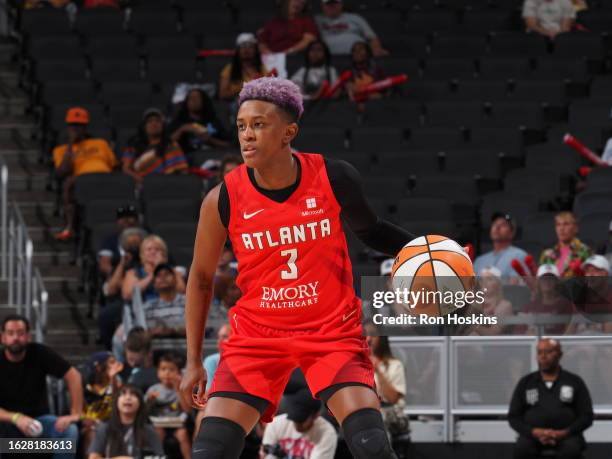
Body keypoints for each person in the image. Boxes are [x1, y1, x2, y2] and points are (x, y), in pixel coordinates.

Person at [180, 77, 416, 458]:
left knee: (373, 447)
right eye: (241, 126)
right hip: (258, 336)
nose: (247, 135)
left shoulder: (333, 177)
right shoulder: (222, 197)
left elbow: (371, 230)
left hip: (330, 332)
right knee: (209, 451)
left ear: (289, 131)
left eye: (259, 124)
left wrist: (428, 248)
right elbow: (202, 278)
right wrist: (193, 361)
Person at [0, 315, 82, 457]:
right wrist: (16, 418)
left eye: (20, 333)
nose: (15, 338)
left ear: (28, 336)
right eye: (10, 333)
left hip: (39, 425)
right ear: (2, 337)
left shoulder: (39, 353)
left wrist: (75, 413)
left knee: (70, 432)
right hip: (6, 427)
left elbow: (74, 376)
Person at [508, 338, 593, 459]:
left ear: (560, 354)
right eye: (539, 352)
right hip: (532, 436)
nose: (543, 356)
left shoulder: (574, 381)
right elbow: (514, 416)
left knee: (571, 450)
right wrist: (534, 432)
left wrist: (565, 432)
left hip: (568, 436)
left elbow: (586, 416)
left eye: (548, 352)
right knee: (522, 449)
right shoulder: (526, 382)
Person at [52, 107, 118, 241]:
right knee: (68, 183)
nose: (76, 128)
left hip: (106, 178)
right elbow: (62, 171)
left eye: (80, 125)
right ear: (68, 127)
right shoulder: (61, 150)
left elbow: (115, 165)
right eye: (73, 125)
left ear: (85, 127)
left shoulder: (100, 143)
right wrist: (70, 144)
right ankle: (69, 227)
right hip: (81, 181)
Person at [88, 384, 164, 459]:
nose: (128, 398)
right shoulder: (105, 427)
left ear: (140, 403)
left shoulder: (148, 430)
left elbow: (160, 457)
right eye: (123, 394)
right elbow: (93, 457)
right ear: (116, 401)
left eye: (133, 395)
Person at [261, 388, 337, 459]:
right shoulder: (276, 424)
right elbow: (265, 453)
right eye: (294, 419)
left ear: (315, 416)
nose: (296, 424)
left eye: (301, 420)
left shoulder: (327, 433)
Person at [122, 108, 189, 184]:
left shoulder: (172, 146)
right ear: (144, 126)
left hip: (168, 186)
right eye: (150, 121)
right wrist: (139, 180)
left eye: (158, 121)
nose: (154, 123)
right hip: (140, 186)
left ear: (163, 126)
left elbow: (183, 171)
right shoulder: (133, 146)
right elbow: (125, 169)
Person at [145, 353, 192, 459]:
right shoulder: (154, 389)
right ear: (158, 372)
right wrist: (150, 400)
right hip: (159, 423)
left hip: (177, 424)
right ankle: (159, 456)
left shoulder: (182, 389)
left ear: (179, 373)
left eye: (171, 370)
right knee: (158, 432)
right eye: (163, 369)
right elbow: (145, 411)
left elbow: (187, 410)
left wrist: (178, 390)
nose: (167, 373)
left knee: (183, 434)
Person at [121, 234, 185, 302]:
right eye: (149, 249)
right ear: (142, 254)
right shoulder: (133, 273)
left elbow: (182, 291)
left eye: (157, 249)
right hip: (144, 310)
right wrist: (155, 271)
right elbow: (127, 295)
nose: (153, 252)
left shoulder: (173, 271)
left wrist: (161, 267)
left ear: (164, 253)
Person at [81, 351, 124, 451]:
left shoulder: (116, 383)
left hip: (110, 422)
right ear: (99, 367)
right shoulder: (86, 387)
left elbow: (117, 403)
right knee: (91, 432)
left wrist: (113, 378)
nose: (116, 365)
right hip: (90, 424)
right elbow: (80, 410)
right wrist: (84, 420)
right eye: (112, 362)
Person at [169, 89, 231, 156]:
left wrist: (210, 140)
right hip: (187, 159)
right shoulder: (180, 122)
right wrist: (182, 129)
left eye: (197, 98)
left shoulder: (212, 121)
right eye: (191, 98)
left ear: (203, 101)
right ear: (186, 102)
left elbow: (228, 145)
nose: (194, 100)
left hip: (212, 156)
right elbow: (165, 143)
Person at [315, 0, 388, 56]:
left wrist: (376, 49)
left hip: (358, 57)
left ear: (341, 5)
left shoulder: (355, 18)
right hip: (328, 59)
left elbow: (372, 38)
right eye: (328, 4)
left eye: (335, 4)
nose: (332, 7)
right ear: (322, 6)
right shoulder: (316, 20)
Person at [520, 264, 574, 335]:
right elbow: (519, 331)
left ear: (556, 282)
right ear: (538, 282)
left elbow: (569, 331)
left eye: (551, 278)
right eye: (543, 278)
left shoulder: (565, 304)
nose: (547, 281)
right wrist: (527, 334)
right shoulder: (529, 306)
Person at [474, 213, 529, 281]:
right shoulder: (479, 260)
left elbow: (517, 287)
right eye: (494, 224)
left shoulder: (520, 256)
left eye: (503, 225)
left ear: (512, 233)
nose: (497, 227)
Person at [540, 211, 592, 278]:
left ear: (576, 228)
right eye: (558, 225)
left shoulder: (584, 251)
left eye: (566, 224)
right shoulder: (547, 254)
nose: (561, 228)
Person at [142, 263, 187, 338]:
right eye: (158, 275)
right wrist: (153, 332)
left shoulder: (188, 302)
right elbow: (143, 332)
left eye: (167, 274)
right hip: (156, 347)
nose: (163, 277)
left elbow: (197, 328)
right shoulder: (148, 306)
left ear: (175, 280)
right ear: (154, 284)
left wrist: (172, 330)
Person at [219, 33, 268, 101]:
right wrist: (244, 88)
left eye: (250, 46)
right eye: (243, 46)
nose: (246, 49)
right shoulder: (229, 69)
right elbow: (222, 94)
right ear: (238, 50)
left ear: (255, 50)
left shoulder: (262, 68)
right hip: (237, 104)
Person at [98, 204, 141, 282]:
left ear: (137, 221)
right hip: (116, 278)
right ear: (117, 222)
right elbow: (104, 264)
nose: (126, 220)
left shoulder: (145, 239)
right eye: (122, 217)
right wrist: (117, 275)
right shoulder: (110, 240)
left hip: (140, 277)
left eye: (130, 217)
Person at [472, 267, 514, 335]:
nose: (484, 282)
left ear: (498, 284)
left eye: (489, 279)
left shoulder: (505, 305)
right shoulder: (473, 303)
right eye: (482, 279)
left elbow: (493, 333)